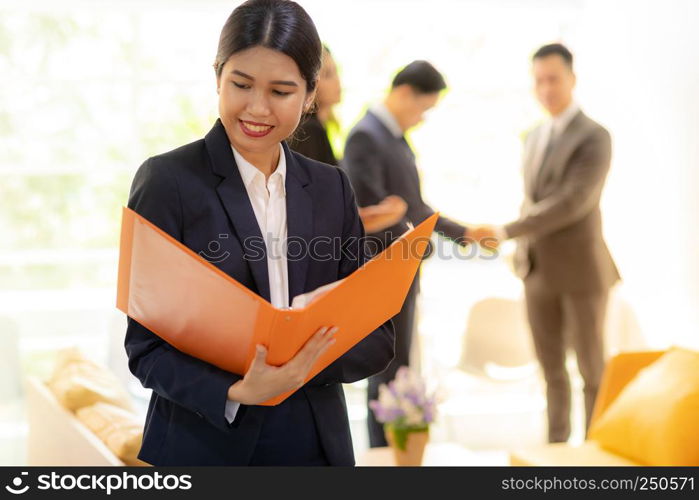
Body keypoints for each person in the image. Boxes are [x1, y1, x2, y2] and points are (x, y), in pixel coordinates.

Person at [124, 0, 394, 466]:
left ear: (310, 95)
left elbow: (376, 338)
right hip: (204, 443)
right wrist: (237, 389)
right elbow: (145, 349)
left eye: (281, 91)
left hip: (315, 445)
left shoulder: (331, 186)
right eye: (241, 85)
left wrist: (299, 367)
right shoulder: (167, 182)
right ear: (217, 78)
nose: (257, 108)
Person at [474, 43, 620, 443]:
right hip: (536, 271)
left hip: (582, 273)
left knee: (592, 372)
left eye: (553, 79)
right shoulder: (534, 135)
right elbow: (533, 198)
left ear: (572, 79)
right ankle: (555, 454)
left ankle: (595, 451)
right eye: (538, 81)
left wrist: (506, 231)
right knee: (551, 372)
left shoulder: (595, 136)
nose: (546, 88)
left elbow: (572, 203)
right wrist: (518, 249)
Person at [343, 60, 471, 448]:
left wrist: (462, 233)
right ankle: (384, 454)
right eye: (422, 108)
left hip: (403, 267)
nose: (421, 119)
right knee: (384, 363)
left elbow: (412, 204)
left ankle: (398, 452)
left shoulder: (392, 136)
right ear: (403, 93)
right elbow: (374, 210)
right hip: (384, 269)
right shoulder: (366, 136)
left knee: (397, 363)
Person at [289, 45, 408, 233]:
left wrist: (377, 213)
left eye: (336, 72)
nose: (338, 82)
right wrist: (381, 216)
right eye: (328, 74)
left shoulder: (319, 129)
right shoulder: (309, 132)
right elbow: (322, 215)